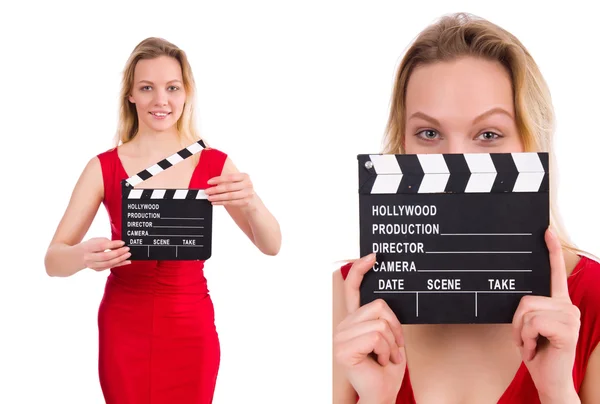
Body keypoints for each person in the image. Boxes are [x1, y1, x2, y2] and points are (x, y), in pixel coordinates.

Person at [332, 13, 600, 404]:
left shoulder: (592, 298)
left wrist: (557, 389)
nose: (456, 160)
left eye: (489, 134)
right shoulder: (346, 300)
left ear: (530, 144)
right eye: (429, 133)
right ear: (402, 144)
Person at [44, 37, 282, 404]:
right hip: (124, 326)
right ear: (131, 96)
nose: (161, 100)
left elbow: (271, 245)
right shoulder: (102, 167)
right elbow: (53, 260)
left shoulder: (213, 162)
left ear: (186, 94)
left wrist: (250, 201)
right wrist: (84, 256)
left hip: (191, 326)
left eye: (172, 87)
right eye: (147, 88)